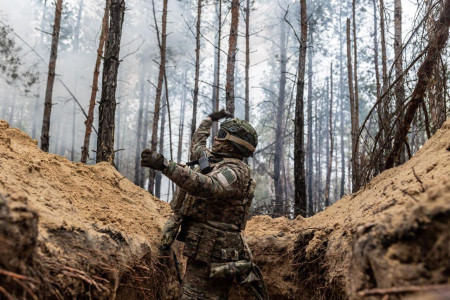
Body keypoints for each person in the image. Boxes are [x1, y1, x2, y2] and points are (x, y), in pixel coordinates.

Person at [141, 110, 268, 300]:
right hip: (203, 248)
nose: (216, 139)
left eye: (222, 135)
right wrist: (209, 120)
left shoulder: (235, 172)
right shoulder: (213, 161)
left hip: (215, 253)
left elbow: (209, 186)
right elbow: (198, 143)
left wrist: (166, 165)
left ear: (234, 143)